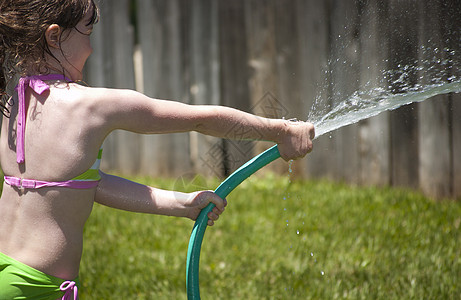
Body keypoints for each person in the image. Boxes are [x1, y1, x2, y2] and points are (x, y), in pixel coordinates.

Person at [0, 0, 315, 299]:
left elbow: (85, 184)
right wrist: (280, 130)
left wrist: (181, 204)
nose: (91, 48)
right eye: (88, 32)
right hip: (37, 287)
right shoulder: (90, 105)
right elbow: (202, 120)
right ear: (55, 36)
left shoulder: (16, 104)